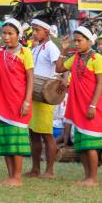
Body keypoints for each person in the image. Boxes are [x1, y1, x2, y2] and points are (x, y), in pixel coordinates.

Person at [0, 18, 34, 187]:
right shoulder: (0, 51)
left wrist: (27, 101)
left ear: (19, 35)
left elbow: (31, 79)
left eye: (10, 34)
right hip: (3, 104)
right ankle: (10, 176)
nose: (7, 37)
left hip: (19, 103)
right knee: (5, 140)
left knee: (16, 141)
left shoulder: (26, 53)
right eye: (4, 33)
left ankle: (17, 177)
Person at [56, 26, 102, 186]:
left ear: (89, 41)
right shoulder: (76, 58)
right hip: (79, 107)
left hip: (93, 107)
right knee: (82, 144)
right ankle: (87, 177)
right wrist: (63, 50)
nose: (76, 44)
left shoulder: (97, 59)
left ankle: (93, 178)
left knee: (90, 144)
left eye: (80, 41)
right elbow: (59, 68)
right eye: (75, 41)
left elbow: (100, 83)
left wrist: (93, 105)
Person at [26, 13, 61, 179]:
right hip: (34, 95)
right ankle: (35, 169)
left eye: (37, 29)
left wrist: (62, 84)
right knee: (33, 133)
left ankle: (50, 170)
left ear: (46, 31)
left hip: (46, 96)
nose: (34, 32)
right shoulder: (36, 47)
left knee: (47, 134)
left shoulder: (52, 48)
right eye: (33, 29)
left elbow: (61, 68)